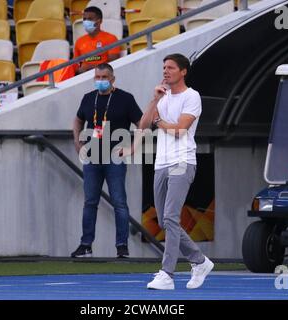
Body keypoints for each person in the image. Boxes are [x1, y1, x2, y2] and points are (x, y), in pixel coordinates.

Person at [137, 53, 214, 290]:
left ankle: (166, 274)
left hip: (182, 160)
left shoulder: (192, 96)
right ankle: (199, 261)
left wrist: (159, 122)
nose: (166, 71)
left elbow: (181, 129)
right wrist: (153, 101)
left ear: (183, 71)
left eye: (170, 67)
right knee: (164, 219)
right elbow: (142, 126)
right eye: (164, 67)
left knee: (170, 217)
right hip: (161, 162)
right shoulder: (162, 96)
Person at [71, 63, 143, 258]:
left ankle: (122, 246)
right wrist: (77, 140)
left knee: (119, 202)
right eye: (97, 77)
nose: (100, 81)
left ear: (112, 79)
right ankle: (86, 245)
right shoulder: (88, 98)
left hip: (115, 157)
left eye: (104, 77)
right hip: (92, 157)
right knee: (90, 202)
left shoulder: (125, 99)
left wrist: (132, 147)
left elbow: (141, 124)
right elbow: (78, 120)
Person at [73, 6, 121, 74]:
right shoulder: (79, 41)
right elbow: (76, 64)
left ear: (99, 21)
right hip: (83, 76)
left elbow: (113, 63)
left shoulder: (111, 38)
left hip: (103, 75)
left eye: (90, 19)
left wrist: (91, 67)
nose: (86, 22)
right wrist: (81, 67)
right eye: (84, 19)